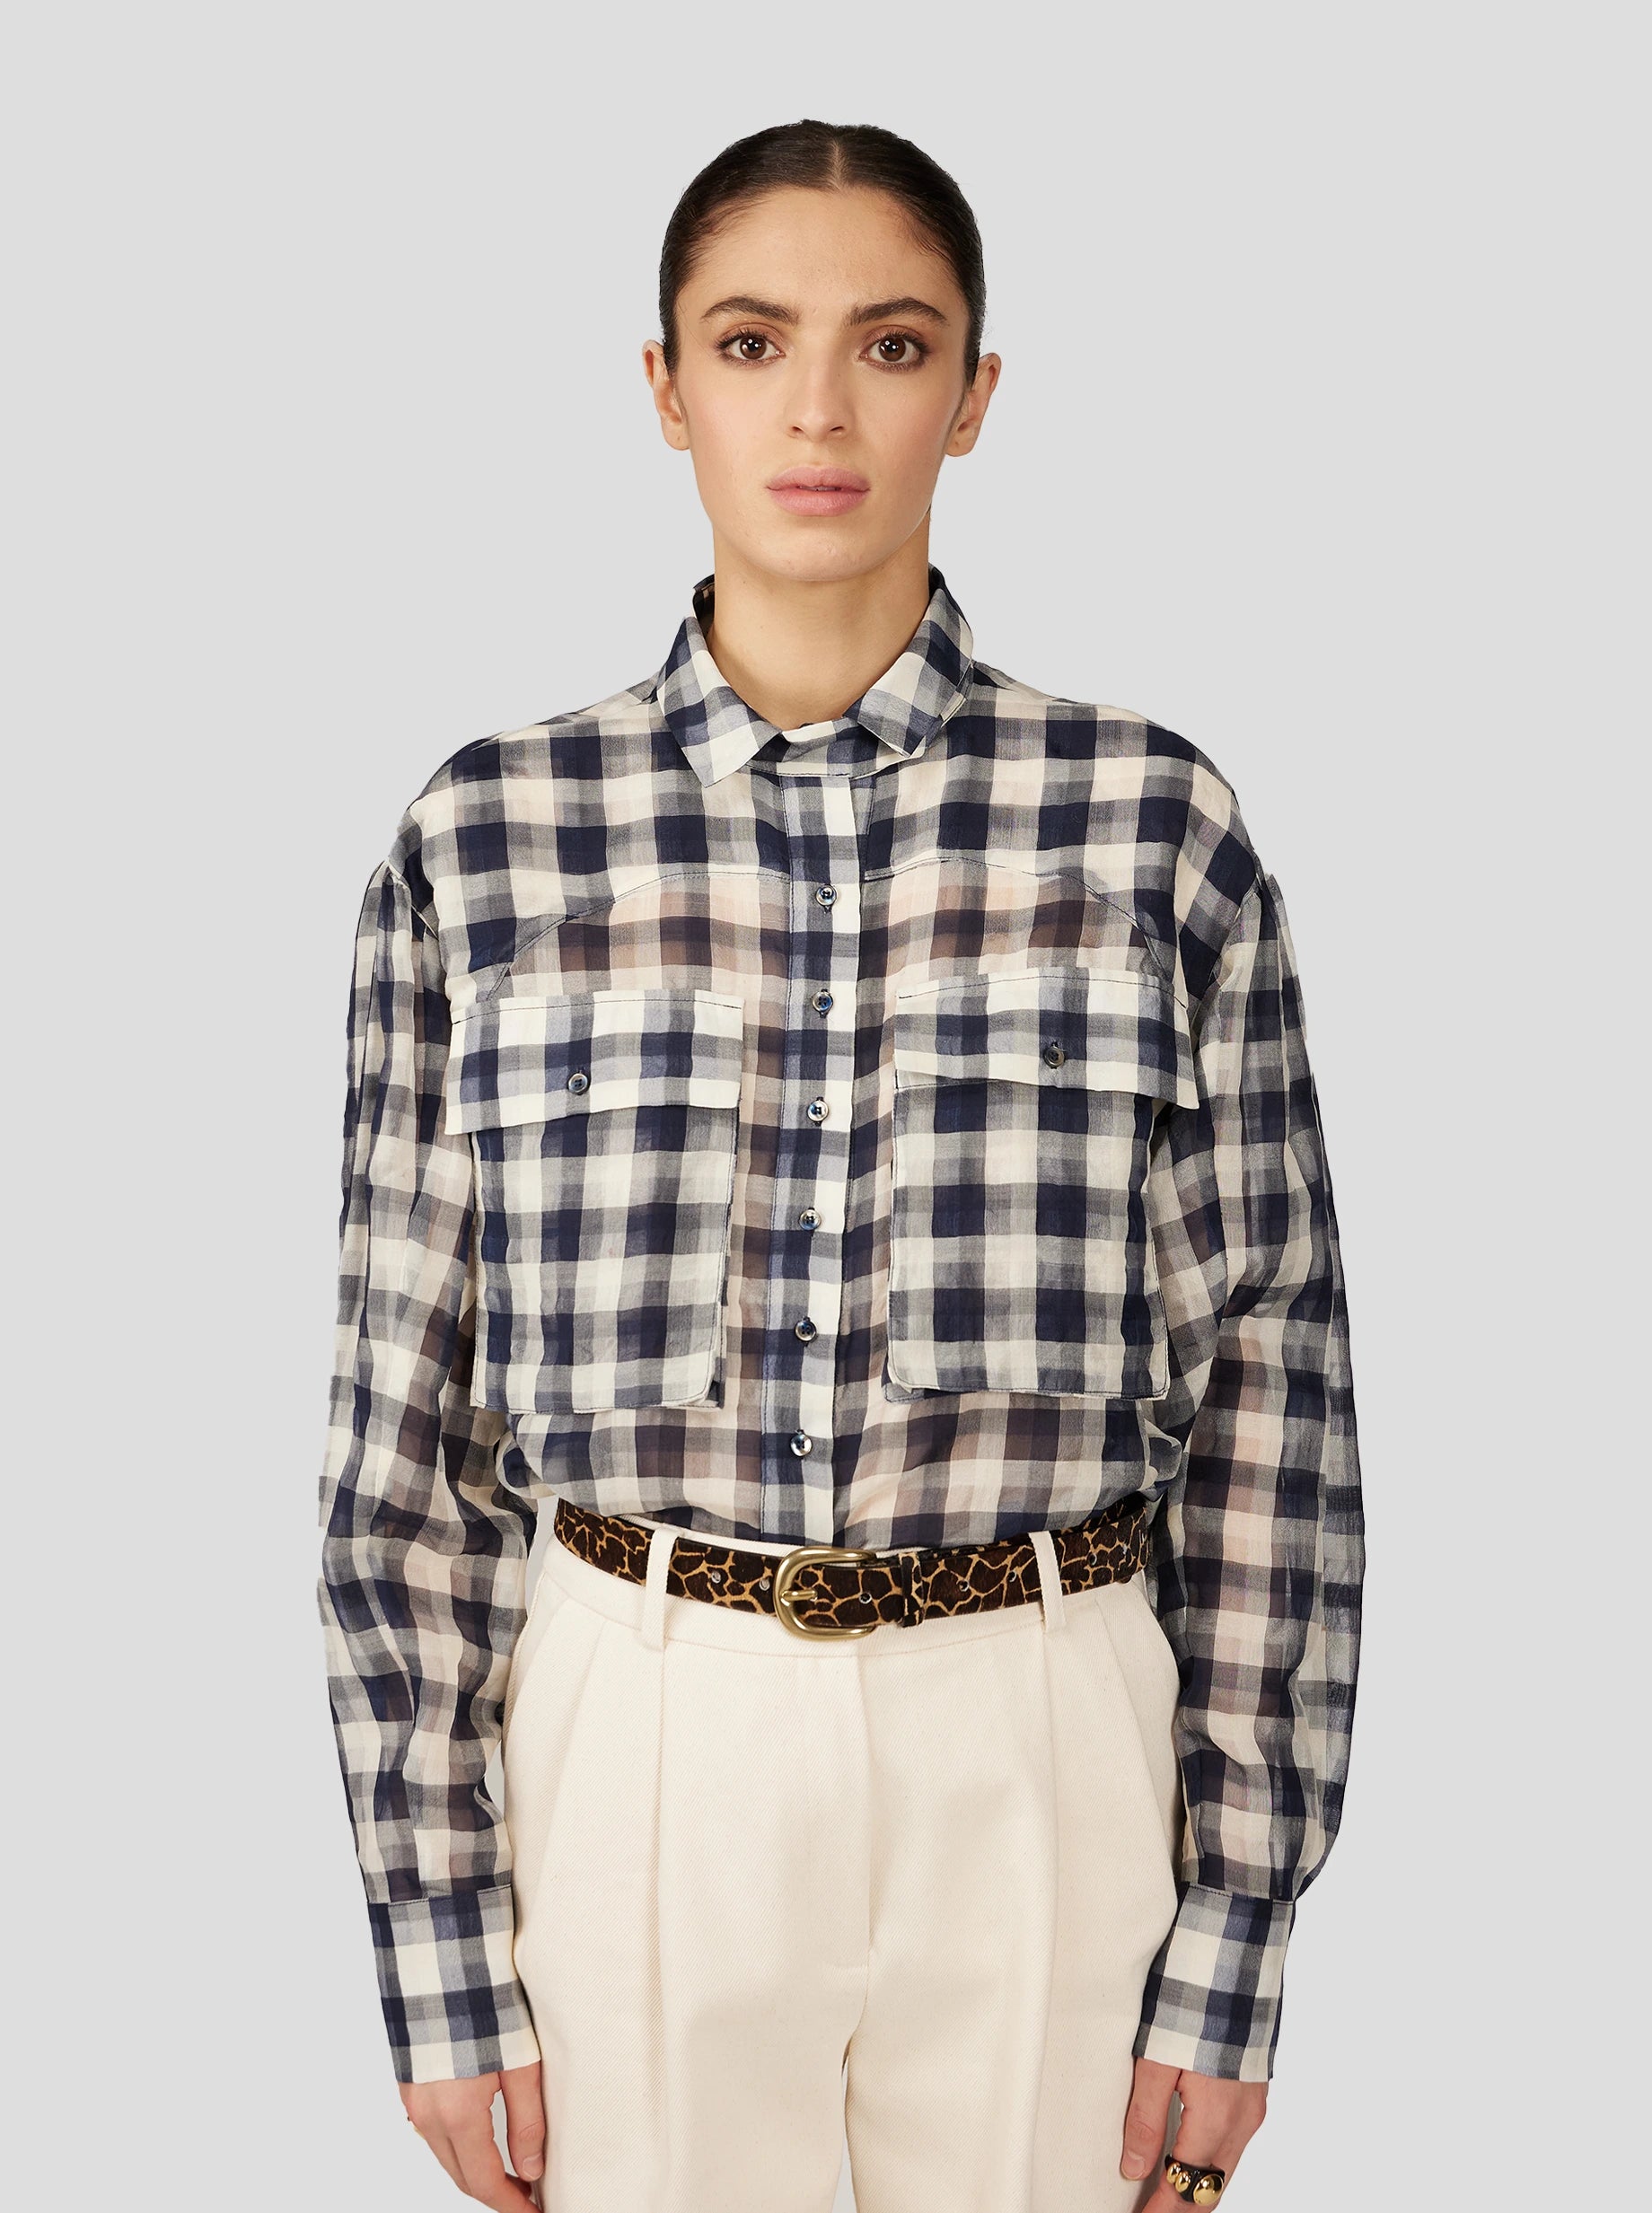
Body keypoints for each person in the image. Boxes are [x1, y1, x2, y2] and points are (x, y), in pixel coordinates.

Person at [316, 118, 1365, 2213]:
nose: (816, 409)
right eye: (748, 342)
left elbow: (1270, 1396)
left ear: (970, 395)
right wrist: (436, 1945)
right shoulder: (485, 839)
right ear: (662, 387)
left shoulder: (1150, 824)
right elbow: (402, 1436)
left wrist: (1236, 1933)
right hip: (639, 1733)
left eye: (889, 346)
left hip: (1042, 1733)